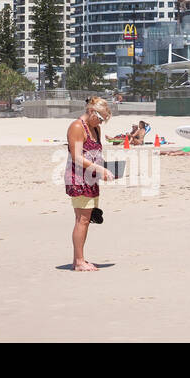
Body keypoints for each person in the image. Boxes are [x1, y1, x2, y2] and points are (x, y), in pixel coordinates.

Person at [66, 97, 114, 272]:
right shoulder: (77, 127)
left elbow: (94, 154)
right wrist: (100, 169)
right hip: (79, 179)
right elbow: (77, 157)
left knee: (85, 219)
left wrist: (108, 168)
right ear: (92, 111)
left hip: (91, 178)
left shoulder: (96, 128)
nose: (100, 122)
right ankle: (79, 261)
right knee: (82, 220)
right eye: (100, 118)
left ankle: (78, 259)